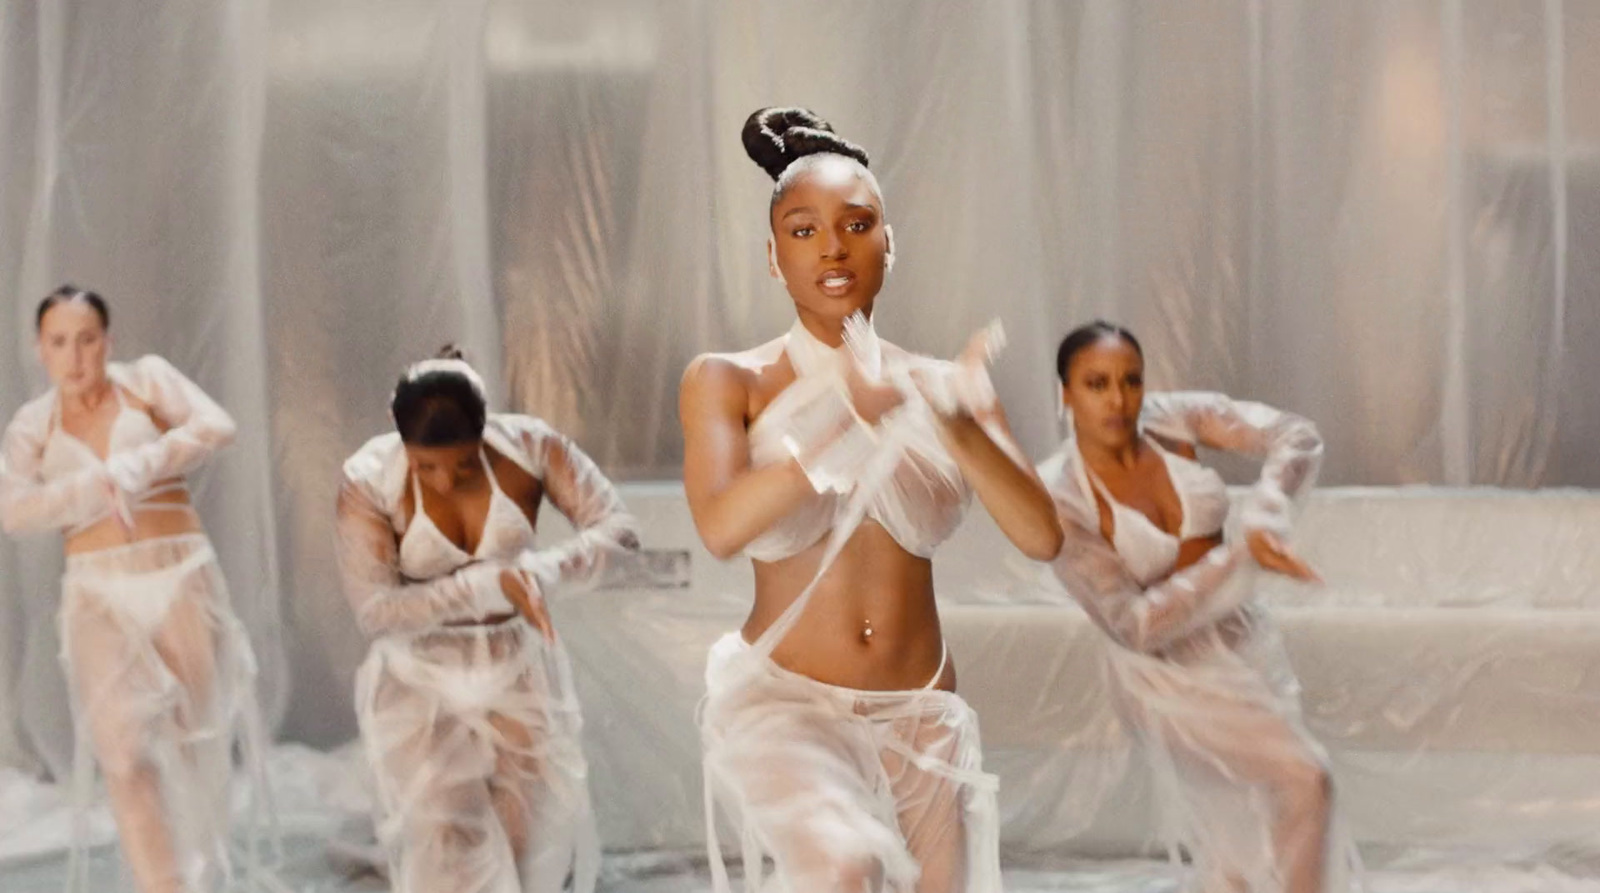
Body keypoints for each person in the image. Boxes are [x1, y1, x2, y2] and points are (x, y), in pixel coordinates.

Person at [680, 107, 1064, 893]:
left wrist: (954, 417)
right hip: (786, 705)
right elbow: (720, 525)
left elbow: (1041, 536)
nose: (832, 245)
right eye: (803, 229)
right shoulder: (729, 379)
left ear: (890, 243)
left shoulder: (944, 385)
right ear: (772, 256)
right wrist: (844, 412)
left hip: (920, 707)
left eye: (857, 224)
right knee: (843, 867)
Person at [1039, 321, 1355, 893]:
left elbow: (1296, 435)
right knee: (1306, 779)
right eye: (1096, 383)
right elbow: (1132, 624)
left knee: (1240, 838)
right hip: (1163, 679)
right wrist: (1239, 557)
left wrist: (1266, 512)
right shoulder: (1062, 498)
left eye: (1130, 381)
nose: (1118, 399)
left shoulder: (1168, 418)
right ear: (1065, 393)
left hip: (1241, 641)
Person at [334, 347, 639, 893]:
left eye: (465, 465)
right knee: (446, 836)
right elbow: (375, 610)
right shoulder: (368, 479)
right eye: (427, 468)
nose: (446, 483)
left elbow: (619, 530)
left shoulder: (530, 448)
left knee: (529, 840)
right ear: (397, 437)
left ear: (485, 428)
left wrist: (542, 572)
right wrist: (485, 584)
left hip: (517, 660)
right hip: (417, 676)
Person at [0, 285, 271, 893]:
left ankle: (203, 876)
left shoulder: (146, 382)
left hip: (176, 572)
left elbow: (216, 425)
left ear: (108, 341)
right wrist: (95, 488)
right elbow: (12, 510)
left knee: (194, 735)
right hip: (97, 590)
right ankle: (161, 885)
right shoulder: (32, 425)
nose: (75, 356)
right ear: (40, 350)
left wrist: (142, 464)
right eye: (60, 342)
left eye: (87, 339)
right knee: (121, 752)